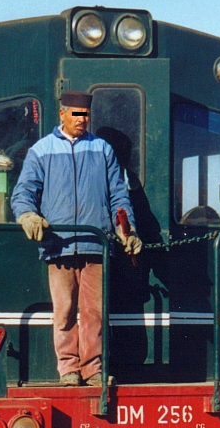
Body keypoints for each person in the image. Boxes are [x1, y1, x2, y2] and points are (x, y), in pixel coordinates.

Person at [10, 90, 142, 386]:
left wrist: (126, 229)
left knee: (95, 312)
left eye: (86, 116)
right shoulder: (41, 151)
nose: (82, 121)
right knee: (65, 311)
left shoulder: (103, 150)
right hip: (59, 245)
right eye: (76, 115)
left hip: (97, 244)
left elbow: (118, 196)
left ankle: (93, 369)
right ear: (62, 114)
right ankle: (68, 368)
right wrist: (27, 215)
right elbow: (23, 193)